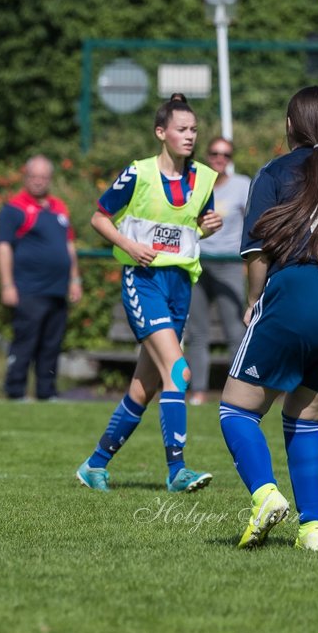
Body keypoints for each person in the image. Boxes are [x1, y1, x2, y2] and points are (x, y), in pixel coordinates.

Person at [218, 85, 318, 552]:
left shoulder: (273, 172)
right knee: (306, 419)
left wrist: (255, 299)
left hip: (298, 291)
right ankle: (313, 531)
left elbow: (256, 249)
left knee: (237, 409)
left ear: (290, 125)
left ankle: (266, 495)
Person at [74, 93, 223, 494]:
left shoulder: (205, 178)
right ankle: (177, 471)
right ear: (161, 133)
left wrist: (210, 226)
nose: (189, 136)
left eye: (193, 129)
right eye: (181, 129)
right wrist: (129, 245)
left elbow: (195, 227)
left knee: (144, 387)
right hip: (144, 281)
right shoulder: (138, 173)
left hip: (180, 287)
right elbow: (98, 217)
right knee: (179, 371)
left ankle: (94, 465)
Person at [0, 155, 83, 401]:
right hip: (29, 288)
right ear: (26, 177)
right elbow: (4, 247)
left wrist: (75, 279)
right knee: (26, 342)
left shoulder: (59, 207)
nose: (38, 181)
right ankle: (15, 391)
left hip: (57, 289)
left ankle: (47, 391)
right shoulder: (14, 208)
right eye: (34, 176)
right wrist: (7, 284)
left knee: (52, 344)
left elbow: (69, 245)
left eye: (43, 177)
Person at [186, 137, 252, 405]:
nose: (219, 158)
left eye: (225, 154)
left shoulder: (242, 185)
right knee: (197, 331)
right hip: (198, 262)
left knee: (235, 331)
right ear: (207, 155)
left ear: (231, 158)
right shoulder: (195, 183)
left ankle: (237, 393)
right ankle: (198, 390)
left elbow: (255, 224)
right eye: (214, 153)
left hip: (230, 264)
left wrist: (251, 261)